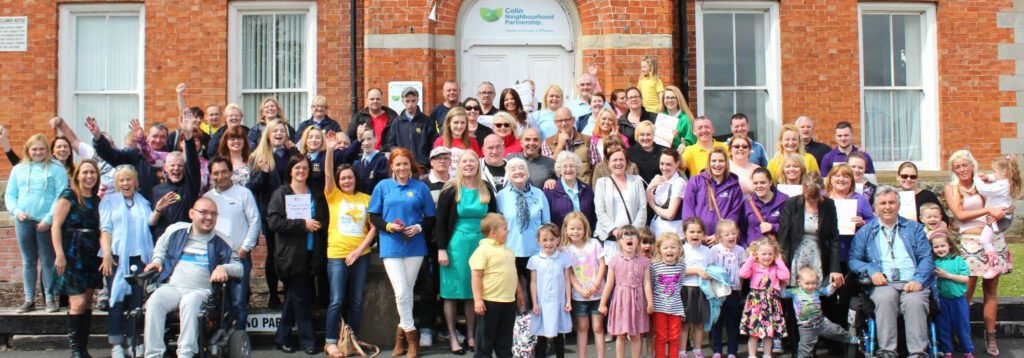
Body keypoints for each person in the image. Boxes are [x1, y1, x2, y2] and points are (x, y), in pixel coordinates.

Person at [142, 198, 244, 358]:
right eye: (203, 212)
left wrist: (223, 267)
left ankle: (186, 354)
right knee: (155, 301)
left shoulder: (223, 240)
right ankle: (153, 354)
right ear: (191, 214)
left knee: (189, 301)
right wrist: (157, 261)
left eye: (213, 214)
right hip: (173, 288)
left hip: (201, 292)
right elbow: (160, 246)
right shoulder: (175, 231)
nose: (209, 218)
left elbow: (239, 269)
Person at [848, 186, 935, 358]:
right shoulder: (866, 231)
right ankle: (887, 351)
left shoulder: (914, 228)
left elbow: (927, 258)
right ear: (875, 207)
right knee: (886, 298)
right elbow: (854, 260)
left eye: (892, 202)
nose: (887, 207)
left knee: (915, 302)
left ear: (899, 205)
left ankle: (918, 353)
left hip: (912, 280)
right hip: (884, 282)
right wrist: (872, 271)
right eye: (883, 203)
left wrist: (919, 279)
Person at [368, 147, 437, 357]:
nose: (402, 168)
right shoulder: (382, 186)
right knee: (401, 292)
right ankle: (412, 337)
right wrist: (388, 226)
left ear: (411, 165)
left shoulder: (420, 188)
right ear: (391, 166)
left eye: (405, 164)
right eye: (397, 164)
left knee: (407, 290)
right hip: (390, 245)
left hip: (415, 246)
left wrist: (419, 227)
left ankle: (401, 337)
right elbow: (374, 216)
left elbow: (431, 217)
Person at [943, 150, 1008, 356]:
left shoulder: (983, 184)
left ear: (972, 165)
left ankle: (991, 336)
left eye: (965, 165)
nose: (962, 170)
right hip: (970, 241)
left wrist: (1003, 210)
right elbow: (960, 215)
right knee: (966, 289)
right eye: (957, 167)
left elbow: (1005, 199)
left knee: (991, 289)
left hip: (993, 239)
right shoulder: (952, 188)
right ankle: (961, 333)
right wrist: (988, 211)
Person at [266, 154, 329, 354]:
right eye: (297, 168)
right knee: (301, 298)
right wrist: (303, 224)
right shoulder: (281, 193)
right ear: (290, 171)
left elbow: (324, 221)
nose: (301, 171)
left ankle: (282, 336)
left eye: (305, 168)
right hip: (291, 255)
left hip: (312, 253)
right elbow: (274, 222)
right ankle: (308, 341)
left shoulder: (316, 194)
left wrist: (317, 224)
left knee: (296, 296)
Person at [436, 150, 497, 354]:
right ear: (459, 165)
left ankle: (471, 335)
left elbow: (494, 217)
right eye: (465, 162)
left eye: (472, 161)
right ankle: (453, 337)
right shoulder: (451, 189)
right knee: (452, 293)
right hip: (456, 245)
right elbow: (441, 222)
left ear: (478, 165)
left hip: (481, 245)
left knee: (474, 292)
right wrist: (441, 249)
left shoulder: (485, 187)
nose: (469, 165)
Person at [322, 140, 377, 356]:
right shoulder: (334, 196)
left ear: (356, 179)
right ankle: (330, 341)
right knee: (336, 300)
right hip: (337, 254)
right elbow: (327, 176)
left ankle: (351, 339)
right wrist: (329, 150)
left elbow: (373, 229)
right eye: (343, 178)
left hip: (361, 255)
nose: (346, 181)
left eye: (350, 177)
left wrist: (359, 250)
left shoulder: (366, 199)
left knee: (356, 301)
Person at [5, 133, 68, 313]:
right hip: (24, 220)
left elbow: (61, 194)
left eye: (41, 149)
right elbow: (10, 194)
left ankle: (49, 299)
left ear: (47, 151)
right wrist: (16, 211)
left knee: (48, 261)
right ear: (28, 151)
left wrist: (49, 218)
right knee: (29, 261)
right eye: (34, 149)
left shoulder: (56, 168)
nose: (38, 152)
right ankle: (29, 299)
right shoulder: (19, 169)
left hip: (46, 222)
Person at [99, 166, 154, 357]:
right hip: (115, 257)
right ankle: (116, 344)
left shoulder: (143, 203)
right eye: (121, 180)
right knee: (116, 300)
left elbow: (150, 227)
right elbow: (105, 229)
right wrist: (106, 253)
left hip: (139, 258)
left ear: (135, 182)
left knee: (136, 303)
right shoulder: (109, 201)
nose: (125, 183)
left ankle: (133, 340)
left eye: (129, 180)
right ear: (116, 183)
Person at [203, 157, 261, 332]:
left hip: (238, 257)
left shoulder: (244, 193)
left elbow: (255, 221)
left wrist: (245, 248)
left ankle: (238, 340)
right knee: (219, 303)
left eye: (223, 171)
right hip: (215, 259)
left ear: (231, 173)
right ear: (211, 175)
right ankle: (221, 342)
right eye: (216, 173)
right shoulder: (207, 198)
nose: (220, 176)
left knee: (239, 302)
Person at [51, 160, 102, 357]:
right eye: (85, 172)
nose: (89, 176)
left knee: (88, 301)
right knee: (78, 302)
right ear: (78, 175)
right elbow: (56, 226)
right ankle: (75, 350)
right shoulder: (69, 196)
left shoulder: (97, 200)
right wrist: (59, 254)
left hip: (91, 253)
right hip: (72, 253)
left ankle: (83, 348)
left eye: (92, 173)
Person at [247, 119, 299, 309]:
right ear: (268, 134)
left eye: (282, 131)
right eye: (275, 131)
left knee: (289, 253)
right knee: (273, 254)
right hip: (271, 212)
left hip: (291, 211)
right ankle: (272, 295)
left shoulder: (292, 153)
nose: (279, 134)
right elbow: (252, 187)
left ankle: (289, 293)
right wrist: (263, 173)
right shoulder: (258, 157)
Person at [495, 158, 551, 308]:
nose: (518, 171)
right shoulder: (501, 196)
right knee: (513, 293)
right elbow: (498, 225)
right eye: (513, 169)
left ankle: (538, 325)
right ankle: (516, 327)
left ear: (527, 172)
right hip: (510, 251)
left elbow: (547, 224)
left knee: (537, 292)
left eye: (521, 168)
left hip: (535, 251)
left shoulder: (539, 194)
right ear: (508, 174)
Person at [470, 213, 523, 358]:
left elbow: (514, 272)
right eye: (505, 229)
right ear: (493, 232)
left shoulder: (508, 250)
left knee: (505, 342)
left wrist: (519, 292)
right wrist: (478, 300)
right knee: (484, 343)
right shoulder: (483, 250)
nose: (508, 231)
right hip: (490, 302)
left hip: (508, 302)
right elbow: (476, 276)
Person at [597, 225, 653, 358]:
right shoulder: (614, 261)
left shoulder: (644, 261)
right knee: (620, 334)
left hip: (638, 300)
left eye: (633, 236)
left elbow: (646, 284)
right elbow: (609, 283)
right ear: (619, 242)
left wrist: (650, 303)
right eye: (625, 236)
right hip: (621, 300)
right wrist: (603, 303)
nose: (629, 239)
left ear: (638, 241)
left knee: (636, 334)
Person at [149, 116, 202, 240]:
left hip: (185, 240)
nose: (176, 169)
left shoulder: (190, 186)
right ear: (165, 169)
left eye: (180, 165)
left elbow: (193, 163)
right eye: (172, 165)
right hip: (162, 242)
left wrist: (188, 138)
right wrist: (159, 209)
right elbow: (151, 223)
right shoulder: (157, 190)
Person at [562, 212, 607, 358]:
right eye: (572, 229)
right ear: (566, 230)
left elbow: (602, 265)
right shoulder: (565, 249)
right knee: (582, 327)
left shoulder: (593, 243)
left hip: (598, 293)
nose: (576, 232)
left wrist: (596, 284)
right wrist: (579, 289)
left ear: (585, 228)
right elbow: (569, 273)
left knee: (598, 327)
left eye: (579, 228)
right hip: (580, 295)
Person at [779, 267, 850, 358]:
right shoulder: (795, 291)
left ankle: (853, 339)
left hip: (821, 322)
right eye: (807, 283)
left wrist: (833, 286)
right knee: (804, 348)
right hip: (805, 327)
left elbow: (827, 292)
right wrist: (782, 285)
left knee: (837, 331)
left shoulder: (816, 291)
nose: (810, 286)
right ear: (799, 282)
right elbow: (782, 294)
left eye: (813, 283)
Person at [90, 118, 168, 200]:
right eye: (154, 136)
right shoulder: (136, 154)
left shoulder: (171, 157)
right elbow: (111, 155)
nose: (158, 140)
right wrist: (98, 138)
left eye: (162, 137)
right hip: (142, 206)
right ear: (147, 137)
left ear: (167, 139)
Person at [739, 238, 790, 358]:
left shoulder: (775, 267)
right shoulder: (754, 266)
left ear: (775, 255)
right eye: (763, 254)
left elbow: (785, 275)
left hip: (771, 301)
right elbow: (743, 274)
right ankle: (752, 355)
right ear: (757, 254)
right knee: (753, 331)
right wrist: (751, 259)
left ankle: (767, 354)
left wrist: (779, 261)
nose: (767, 257)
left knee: (769, 331)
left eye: (770, 254)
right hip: (756, 301)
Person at [529, 224, 574, 358]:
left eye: (552, 239)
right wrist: (535, 303)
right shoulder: (535, 260)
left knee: (559, 336)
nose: (548, 243)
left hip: (558, 302)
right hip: (542, 303)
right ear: (539, 241)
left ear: (558, 240)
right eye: (545, 240)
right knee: (541, 336)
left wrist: (569, 300)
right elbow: (533, 282)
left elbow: (567, 280)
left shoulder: (563, 258)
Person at [930, 231, 975, 358]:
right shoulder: (934, 262)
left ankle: (968, 350)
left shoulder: (958, 260)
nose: (940, 249)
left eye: (943, 246)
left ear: (949, 245)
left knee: (962, 325)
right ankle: (947, 350)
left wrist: (947, 276)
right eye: (936, 247)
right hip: (942, 299)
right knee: (943, 326)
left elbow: (965, 278)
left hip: (958, 300)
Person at [682, 147, 743, 240]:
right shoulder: (696, 181)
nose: (717, 164)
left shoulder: (734, 186)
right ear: (709, 163)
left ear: (726, 163)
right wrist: (696, 234)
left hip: (722, 241)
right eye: (713, 161)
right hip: (698, 239)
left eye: (721, 161)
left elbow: (734, 214)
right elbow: (688, 209)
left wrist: (717, 236)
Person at [975, 155, 1020, 278]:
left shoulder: (1003, 185)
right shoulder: (1006, 181)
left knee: (985, 239)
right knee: (997, 237)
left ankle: (994, 266)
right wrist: (987, 176)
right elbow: (994, 178)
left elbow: (985, 190)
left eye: (995, 170)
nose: (993, 174)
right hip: (1005, 218)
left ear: (1004, 172)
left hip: (999, 218)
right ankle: (1007, 261)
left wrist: (977, 179)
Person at [593, 146, 647, 244]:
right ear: (608, 162)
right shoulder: (601, 183)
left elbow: (642, 208)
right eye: (615, 160)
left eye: (621, 160)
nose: (618, 163)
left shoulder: (637, 181)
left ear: (626, 162)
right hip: (609, 237)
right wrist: (614, 231)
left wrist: (632, 231)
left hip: (632, 237)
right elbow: (600, 211)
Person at [708, 220, 746, 358]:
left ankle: (732, 351)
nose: (731, 237)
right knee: (717, 322)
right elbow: (710, 269)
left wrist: (740, 287)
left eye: (733, 233)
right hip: (718, 292)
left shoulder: (740, 250)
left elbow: (743, 270)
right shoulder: (714, 250)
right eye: (727, 234)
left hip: (734, 290)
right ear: (719, 237)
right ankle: (717, 350)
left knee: (732, 322)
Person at [679, 218, 712, 357]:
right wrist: (697, 271)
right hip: (686, 289)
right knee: (685, 324)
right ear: (684, 233)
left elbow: (710, 268)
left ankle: (697, 351)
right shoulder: (681, 250)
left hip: (702, 290)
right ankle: (682, 351)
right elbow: (679, 271)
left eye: (699, 232)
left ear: (704, 234)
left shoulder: (706, 250)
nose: (695, 235)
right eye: (692, 231)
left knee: (699, 323)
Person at [650, 232, 685, 358]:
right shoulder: (654, 265)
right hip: (659, 307)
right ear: (659, 249)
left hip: (675, 307)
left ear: (679, 249)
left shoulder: (681, 265)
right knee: (660, 337)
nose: (669, 250)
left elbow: (680, 284)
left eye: (673, 247)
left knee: (675, 337)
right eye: (665, 247)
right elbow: (652, 285)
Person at [386, 87, 439, 169]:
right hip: (402, 166)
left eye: (413, 101)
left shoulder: (427, 121)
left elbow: (434, 143)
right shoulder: (397, 122)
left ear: (417, 100)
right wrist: (399, 153)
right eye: (407, 101)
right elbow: (390, 144)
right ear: (402, 101)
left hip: (422, 166)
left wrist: (428, 160)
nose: (410, 104)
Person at [545, 152, 597, 228]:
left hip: (584, 237)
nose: (568, 169)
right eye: (565, 166)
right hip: (561, 238)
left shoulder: (587, 189)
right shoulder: (550, 190)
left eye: (572, 166)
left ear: (577, 169)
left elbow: (593, 217)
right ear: (559, 169)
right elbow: (547, 220)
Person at [543, 107, 593, 183]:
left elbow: (595, 167)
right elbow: (548, 169)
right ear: (555, 123)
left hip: (583, 189)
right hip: (559, 190)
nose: (564, 123)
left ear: (573, 120)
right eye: (560, 121)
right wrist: (560, 145)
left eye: (566, 120)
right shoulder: (547, 142)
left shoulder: (587, 140)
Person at [646, 148, 686, 237]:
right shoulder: (657, 178)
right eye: (662, 163)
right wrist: (650, 187)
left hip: (673, 231)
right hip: (656, 228)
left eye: (668, 164)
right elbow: (644, 202)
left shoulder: (679, 183)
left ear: (677, 164)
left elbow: (670, 214)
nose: (664, 168)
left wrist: (653, 206)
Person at [743, 168, 789, 246]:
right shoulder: (747, 203)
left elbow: (790, 227)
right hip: (754, 253)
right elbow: (741, 230)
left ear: (770, 182)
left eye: (763, 182)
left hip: (775, 252)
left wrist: (773, 227)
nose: (759, 186)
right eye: (755, 183)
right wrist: (745, 248)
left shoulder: (784, 200)